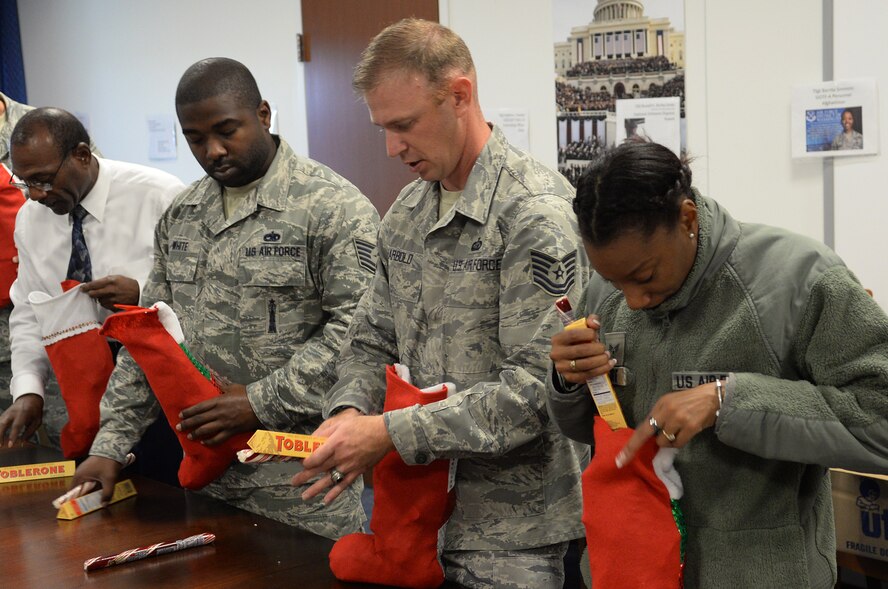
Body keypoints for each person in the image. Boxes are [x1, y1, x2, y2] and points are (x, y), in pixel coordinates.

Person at [294, 19, 589, 587]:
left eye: (404, 126)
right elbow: (368, 341)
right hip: (410, 522)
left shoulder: (535, 216)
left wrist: (389, 434)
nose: (391, 147)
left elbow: (535, 394)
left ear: (459, 95)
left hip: (513, 535)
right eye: (382, 128)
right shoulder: (407, 211)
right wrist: (349, 413)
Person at [546, 141, 888, 588]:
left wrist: (728, 401)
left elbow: (879, 416)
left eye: (645, 277)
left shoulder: (800, 279)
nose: (631, 300)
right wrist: (570, 380)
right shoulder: (606, 293)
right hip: (630, 569)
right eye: (613, 280)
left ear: (687, 218)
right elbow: (591, 432)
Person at [70, 57, 378, 539]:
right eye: (195, 138)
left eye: (226, 130)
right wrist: (110, 445)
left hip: (301, 479)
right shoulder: (184, 214)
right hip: (208, 475)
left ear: (264, 114)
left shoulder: (333, 208)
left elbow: (360, 335)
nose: (212, 150)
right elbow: (151, 336)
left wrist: (258, 401)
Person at [0, 107, 182, 448]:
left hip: (157, 375)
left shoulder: (159, 196)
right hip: (79, 382)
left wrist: (142, 296)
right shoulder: (31, 219)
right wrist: (28, 390)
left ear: (82, 155)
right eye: (25, 182)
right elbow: (28, 312)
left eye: (43, 179)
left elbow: (206, 296)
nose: (36, 194)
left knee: (167, 491)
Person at [0, 94, 101, 414]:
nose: (35, 191)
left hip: (57, 326)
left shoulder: (43, 129)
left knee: (74, 442)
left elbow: (90, 202)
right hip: (23, 332)